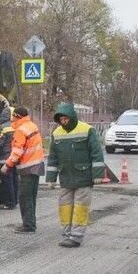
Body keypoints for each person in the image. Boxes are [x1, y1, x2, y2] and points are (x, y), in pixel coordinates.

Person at [46, 102, 105, 247]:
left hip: (84, 177)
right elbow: (53, 157)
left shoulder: (87, 130)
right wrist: (51, 179)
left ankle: (76, 236)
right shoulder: (56, 133)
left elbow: (96, 154)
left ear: (72, 117)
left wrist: (98, 174)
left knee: (80, 207)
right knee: (64, 206)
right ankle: (67, 233)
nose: (63, 122)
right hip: (66, 177)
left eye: (66, 118)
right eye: (61, 119)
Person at [2, 107, 44, 233]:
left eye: (13, 116)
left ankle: (28, 226)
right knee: (31, 196)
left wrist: (7, 165)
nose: (11, 119)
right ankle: (30, 223)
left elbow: (17, 151)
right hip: (37, 165)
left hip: (28, 166)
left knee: (25, 197)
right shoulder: (31, 126)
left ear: (18, 116)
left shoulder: (20, 130)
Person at [0, 112, 18, 210]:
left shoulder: (3, 128)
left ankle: (10, 203)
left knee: (7, 182)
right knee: (14, 180)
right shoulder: (15, 126)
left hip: (5, 158)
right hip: (14, 157)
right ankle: (15, 200)